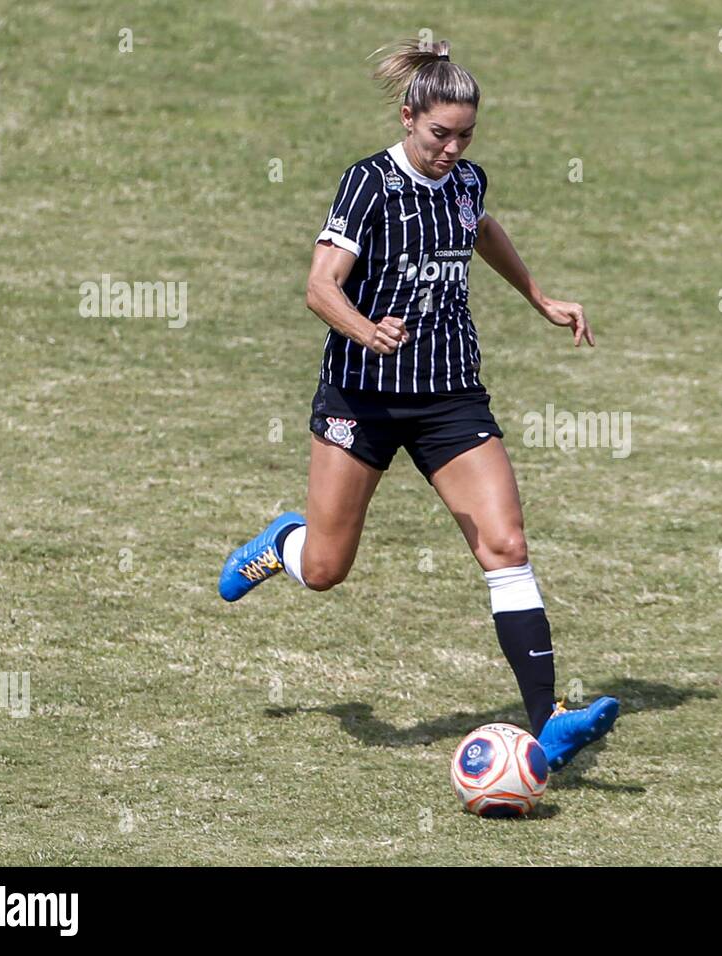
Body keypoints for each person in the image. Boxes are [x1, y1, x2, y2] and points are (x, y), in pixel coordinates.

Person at [218, 38, 618, 771]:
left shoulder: (467, 182)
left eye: (465, 135)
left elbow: (483, 228)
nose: (452, 148)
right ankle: (284, 545)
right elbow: (319, 285)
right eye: (440, 134)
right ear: (409, 118)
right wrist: (367, 331)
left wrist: (539, 297)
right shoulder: (367, 184)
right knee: (329, 568)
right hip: (361, 400)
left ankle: (548, 718)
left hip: (450, 398)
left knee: (506, 546)